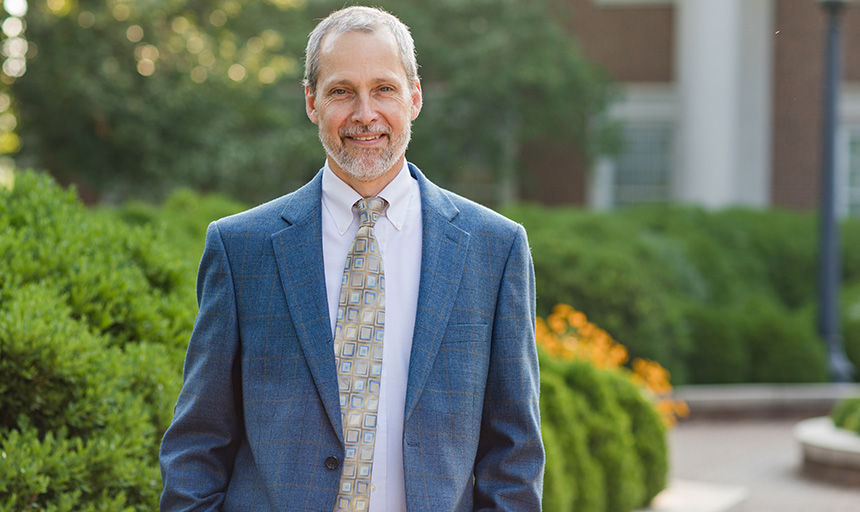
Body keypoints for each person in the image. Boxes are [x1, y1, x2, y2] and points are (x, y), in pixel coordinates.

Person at [159, 6, 543, 511]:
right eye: (342, 91)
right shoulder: (241, 249)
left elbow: (513, 452)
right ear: (311, 102)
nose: (365, 114)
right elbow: (198, 441)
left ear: (415, 97)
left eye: (383, 89)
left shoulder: (494, 249)